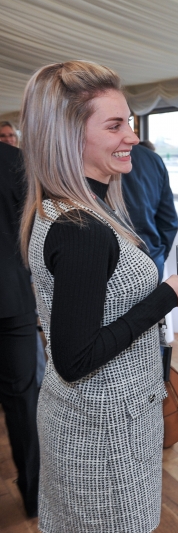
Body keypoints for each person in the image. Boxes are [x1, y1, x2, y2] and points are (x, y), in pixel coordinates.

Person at [19, 60, 178, 532]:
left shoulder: (75, 208)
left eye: (128, 121)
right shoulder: (82, 227)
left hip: (99, 421)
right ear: (68, 137)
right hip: (105, 433)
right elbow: (75, 357)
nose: (131, 136)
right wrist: (167, 294)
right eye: (114, 125)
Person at [0, 141, 39, 517]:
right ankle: (33, 495)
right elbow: (30, 228)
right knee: (23, 401)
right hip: (12, 298)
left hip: (13, 299)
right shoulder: (13, 160)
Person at [121, 142, 178, 278]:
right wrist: (158, 256)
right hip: (151, 258)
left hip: (112, 266)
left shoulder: (90, 157)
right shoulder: (153, 159)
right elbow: (169, 220)